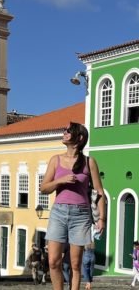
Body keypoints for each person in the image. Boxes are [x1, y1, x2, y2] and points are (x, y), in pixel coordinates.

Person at [40, 122, 106, 290]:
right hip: (58, 213)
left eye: (68, 131)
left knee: (76, 264)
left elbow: (99, 192)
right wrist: (60, 180)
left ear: (80, 137)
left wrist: (102, 219)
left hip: (81, 215)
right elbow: (44, 188)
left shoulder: (89, 162)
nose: (64, 132)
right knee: (53, 261)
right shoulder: (55, 160)